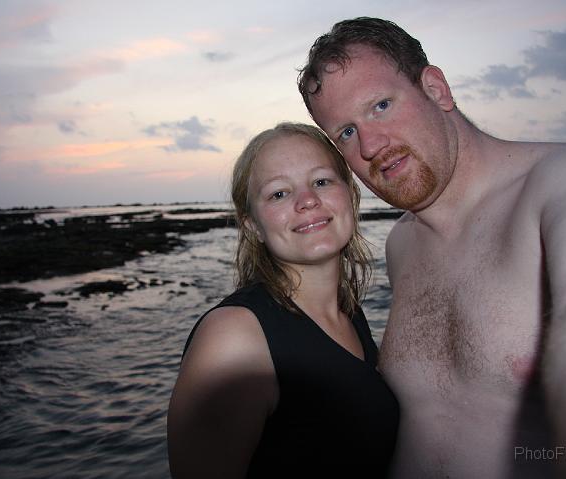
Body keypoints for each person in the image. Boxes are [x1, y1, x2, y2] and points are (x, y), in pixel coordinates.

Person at [297, 17, 566, 479]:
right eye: (346, 133)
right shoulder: (402, 244)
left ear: (436, 89)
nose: (370, 144)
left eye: (381, 105)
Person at [167, 122, 400, 478]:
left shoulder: (348, 312)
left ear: (350, 195)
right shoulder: (235, 338)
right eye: (278, 193)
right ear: (252, 226)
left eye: (321, 181)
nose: (308, 201)